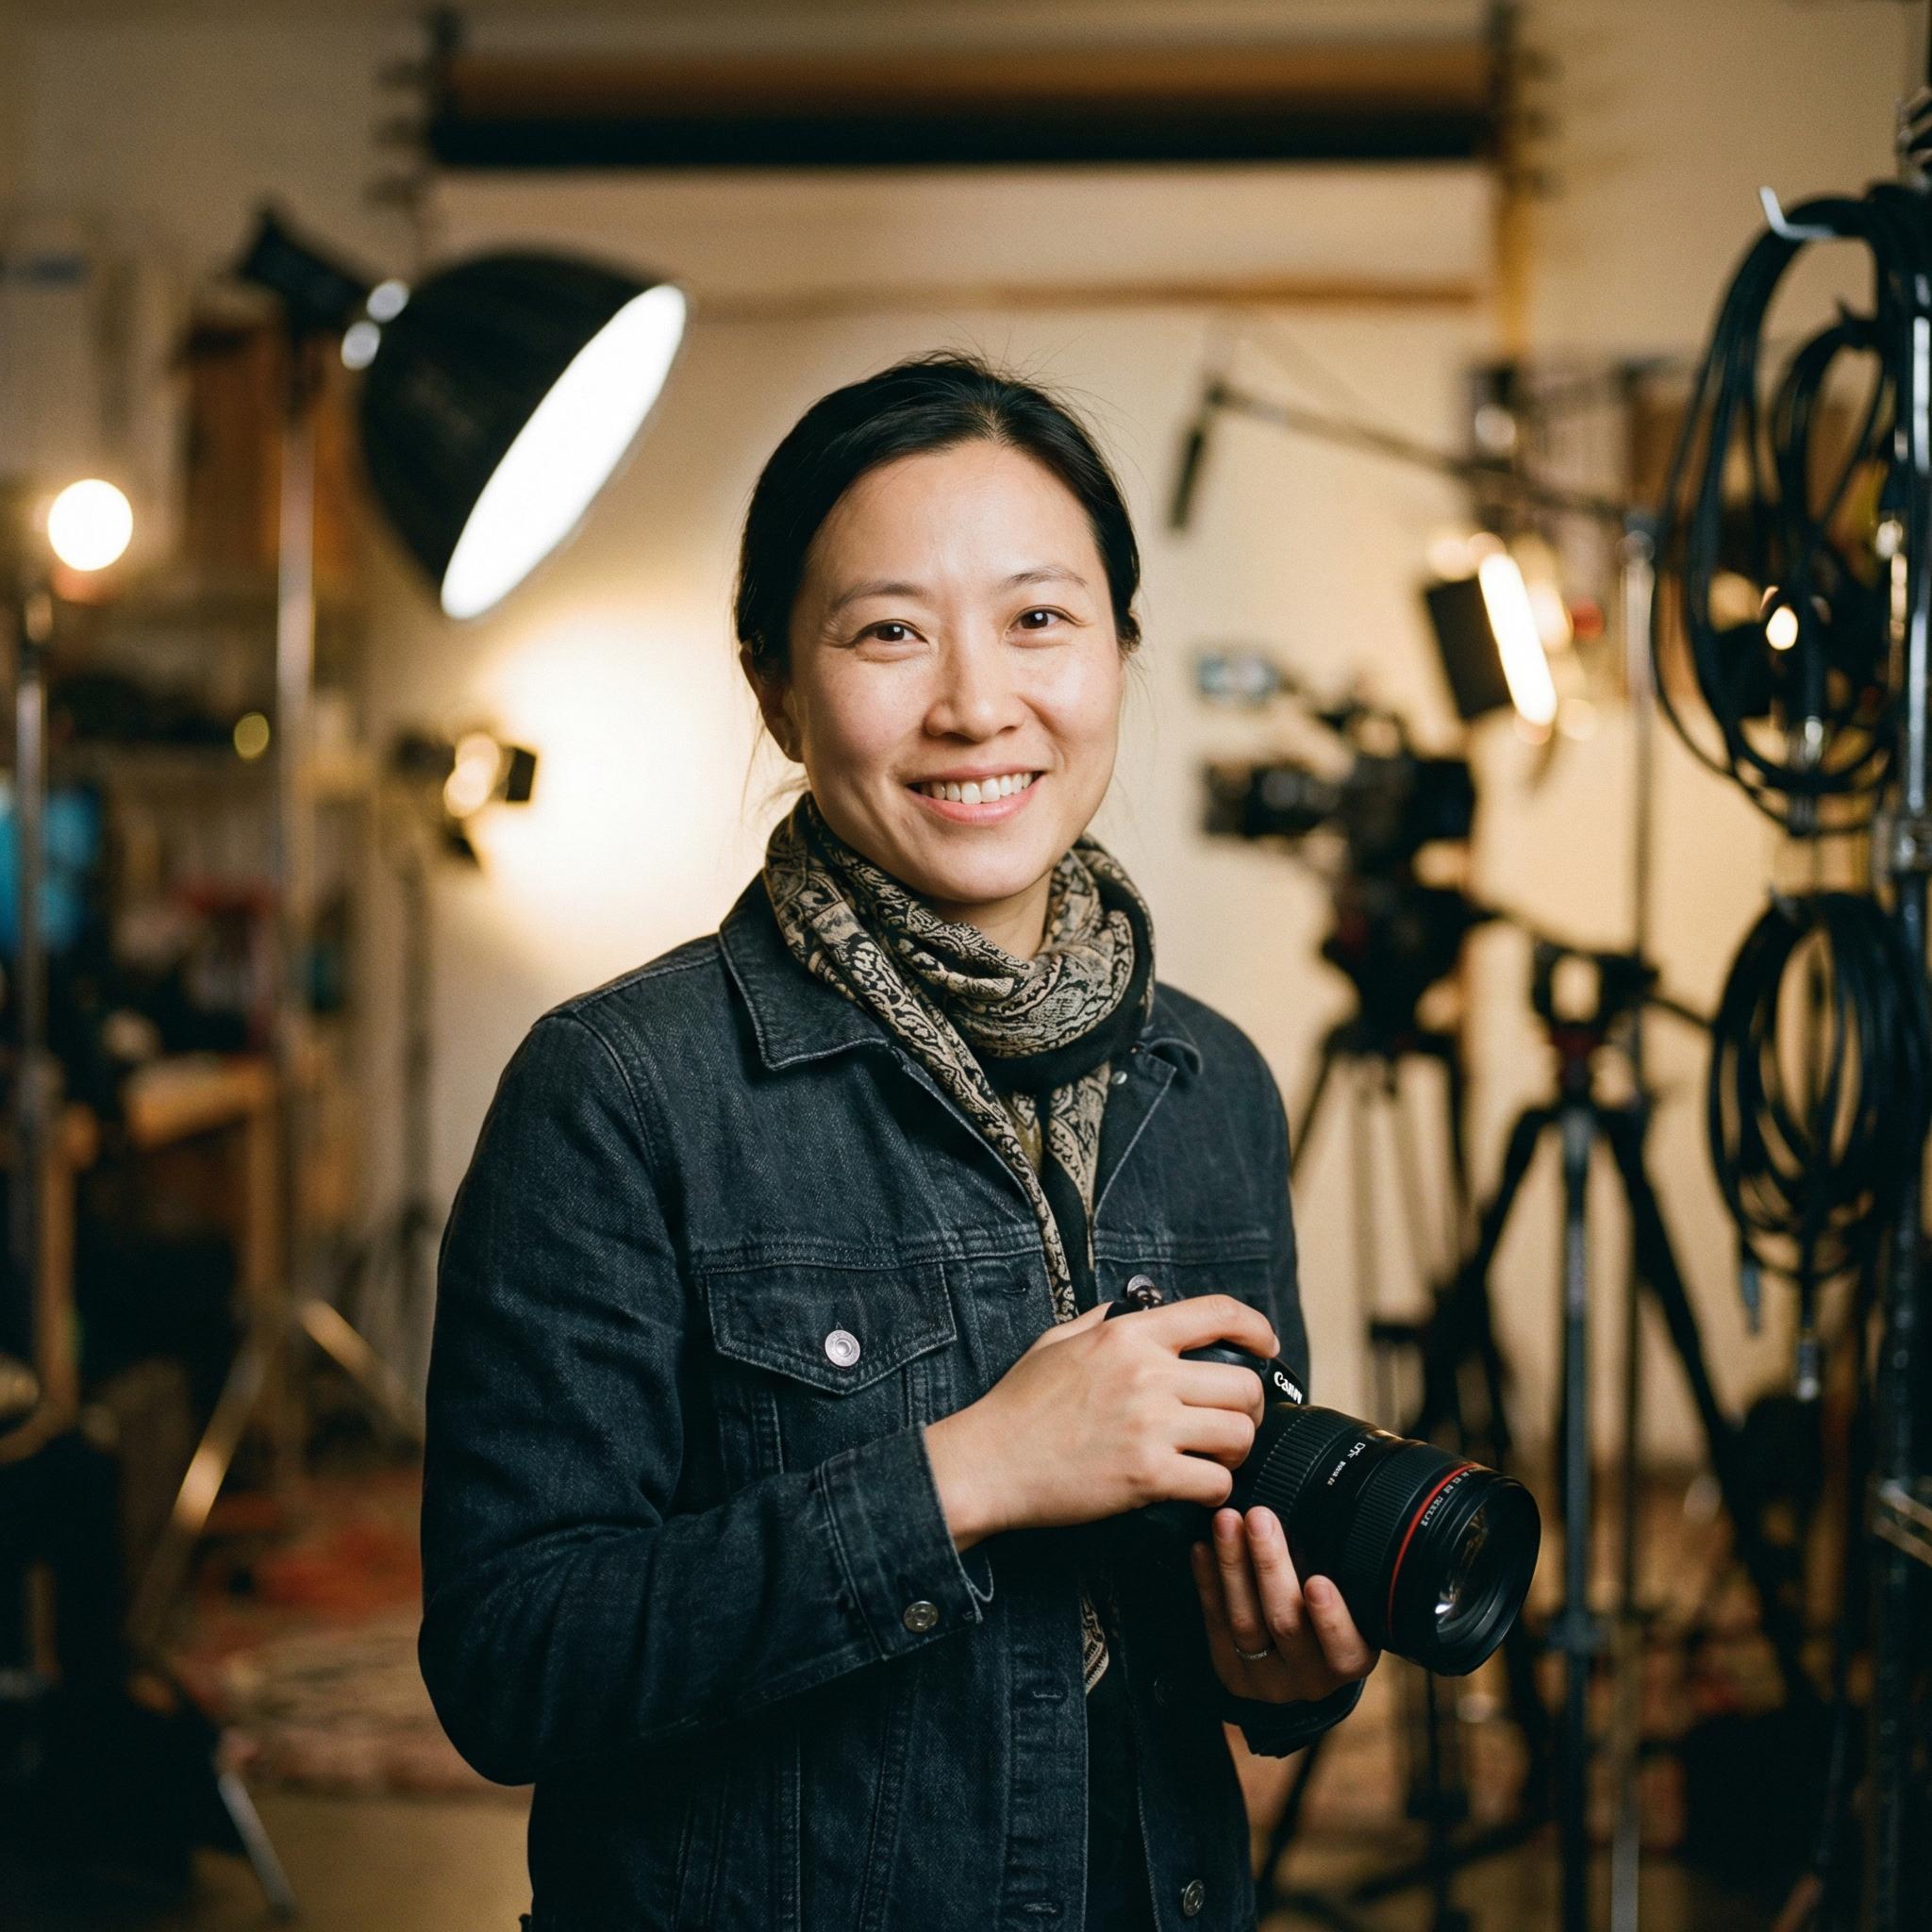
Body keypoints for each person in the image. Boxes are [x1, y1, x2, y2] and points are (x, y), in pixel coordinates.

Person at [419, 352, 1379, 1932]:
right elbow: (515, 1661)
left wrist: (1278, 1669)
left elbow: (1217, 1608)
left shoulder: (1212, 1084)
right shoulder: (619, 1091)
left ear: (1123, 651)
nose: (975, 702)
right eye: (888, 631)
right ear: (776, 686)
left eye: (1040, 618)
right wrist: (972, 1474)